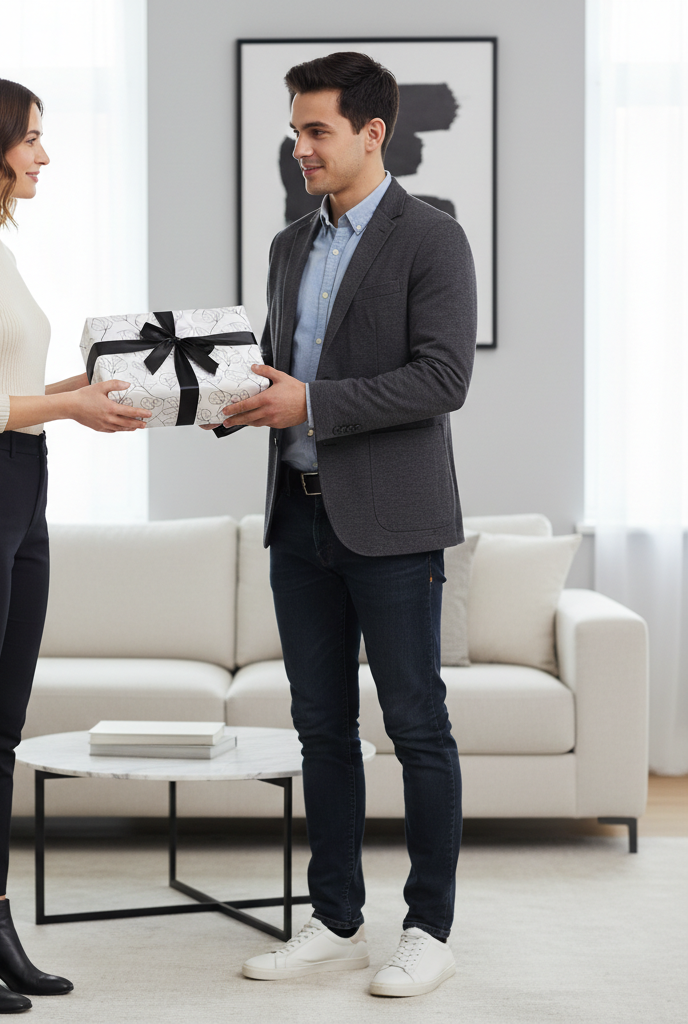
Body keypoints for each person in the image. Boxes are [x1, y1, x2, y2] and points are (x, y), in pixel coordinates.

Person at [219, 52, 477, 998]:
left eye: (316, 130)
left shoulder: (432, 238)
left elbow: (443, 379)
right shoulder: (291, 246)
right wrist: (232, 400)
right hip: (299, 524)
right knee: (319, 729)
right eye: (294, 130)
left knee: (417, 726)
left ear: (374, 134)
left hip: (396, 526)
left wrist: (312, 404)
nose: (300, 148)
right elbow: (280, 377)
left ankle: (429, 928)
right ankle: (333, 920)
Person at [0, 74, 150, 1014]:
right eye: (32, 139)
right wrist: (65, 404)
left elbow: (1, 384)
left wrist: (84, 392)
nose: (44, 156)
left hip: (20, 487)